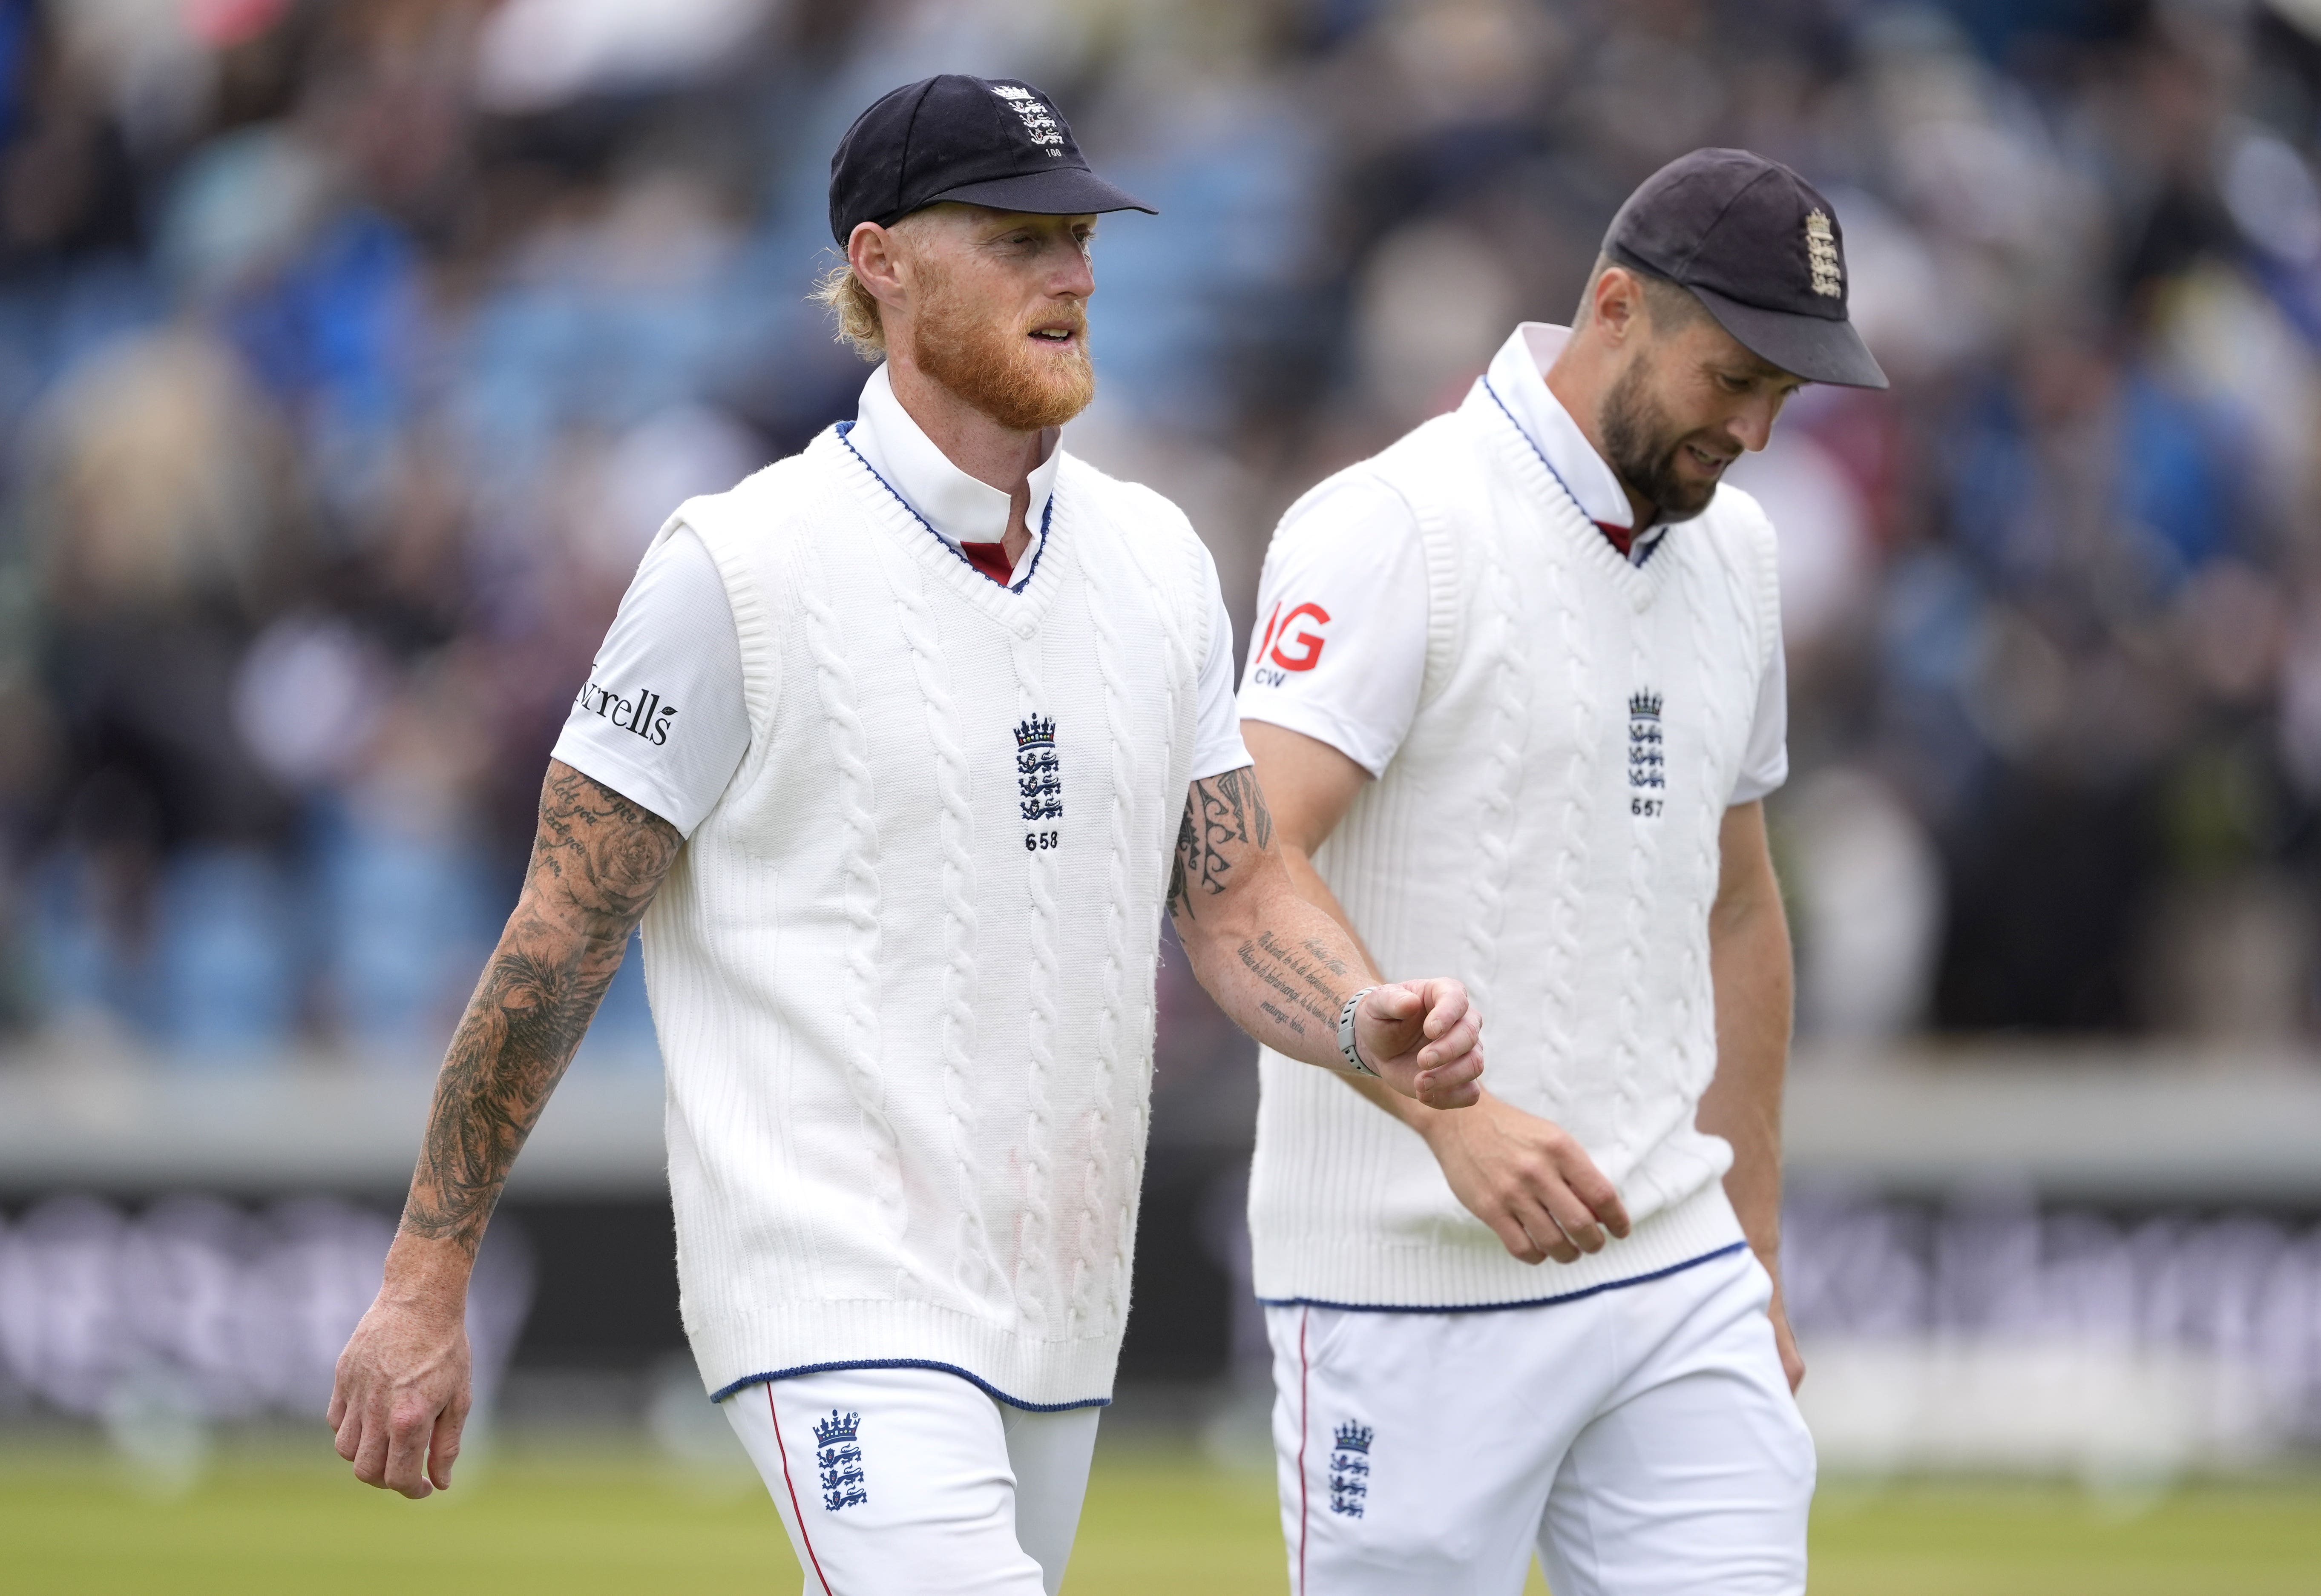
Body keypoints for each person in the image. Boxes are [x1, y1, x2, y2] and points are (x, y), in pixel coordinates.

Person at [327, 74, 1487, 1595]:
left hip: (1065, 1307)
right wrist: (427, 1272)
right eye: (1016, 237)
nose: (1071, 272)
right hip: (832, 1295)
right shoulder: (730, 570)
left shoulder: (1155, 557)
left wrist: (1355, 1019)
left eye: (1077, 234)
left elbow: (1231, 888)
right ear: (880, 262)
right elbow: (561, 929)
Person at [1237, 148, 1888, 1595]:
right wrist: (1445, 1120)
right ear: (1613, 309)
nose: (1761, 430)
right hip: (1399, 1291)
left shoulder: (1742, 557)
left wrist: (1756, 1249)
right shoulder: (1394, 526)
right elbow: (1236, 863)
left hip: (1675, 1276)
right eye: (1736, 378)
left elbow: (1737, 905)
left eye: (1788, 393)